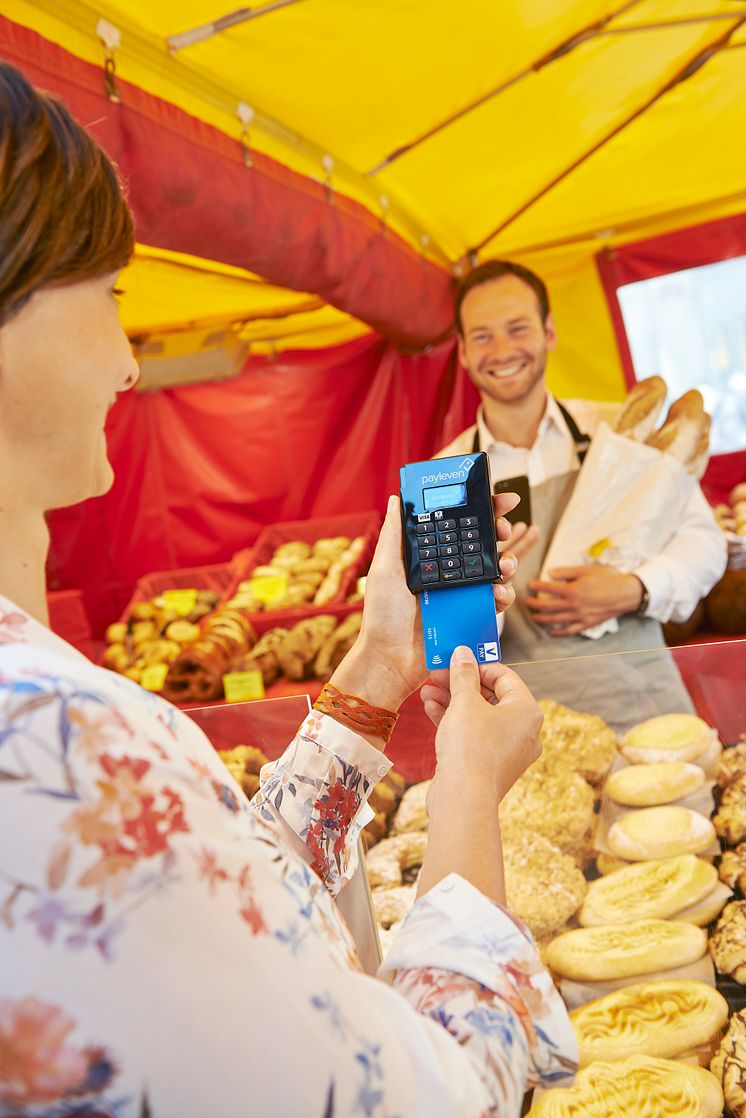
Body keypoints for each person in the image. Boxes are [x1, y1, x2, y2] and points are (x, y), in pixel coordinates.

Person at [0, 64, 577, 1117]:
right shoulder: (60, 732)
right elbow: (439, 1095)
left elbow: (241, 889)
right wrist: (465, 784)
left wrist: (378, 661)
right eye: (108, 295)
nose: (130, 362)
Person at [438, 260, 727, 730]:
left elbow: (705, 542)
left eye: (517, 328)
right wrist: (481, 598)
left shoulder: (616, 432)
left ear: (549, 332)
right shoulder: (444, 477)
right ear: (464, 352)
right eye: (483, 336)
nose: (503, 350)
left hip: (645, 702)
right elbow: (450, 642)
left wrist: (633, 588)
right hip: (528, 728)